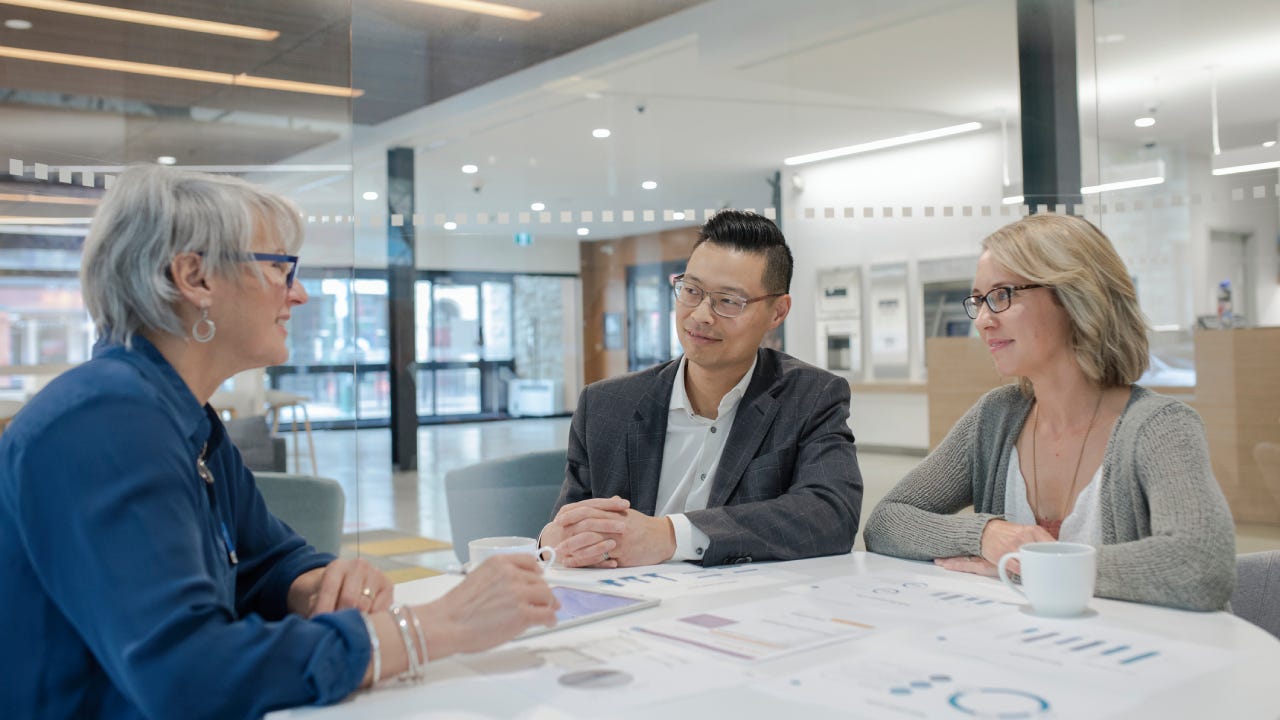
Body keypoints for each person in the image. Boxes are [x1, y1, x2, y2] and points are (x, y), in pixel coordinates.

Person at [0, 166, 559, 720]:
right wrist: (437, 627)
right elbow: (190, 677)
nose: (300, 295)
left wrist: (317, 584)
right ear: (195, 278)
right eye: (279, 268)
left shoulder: (183, 418)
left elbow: (268, 561)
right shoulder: (104, 423)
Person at [863, 214, 1235, 611]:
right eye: (978, 300)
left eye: (1002, 295)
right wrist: (987, 535)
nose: (985, 320)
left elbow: (1201, 565)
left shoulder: (1159, 427)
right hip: (1036, 652)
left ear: (1076, 297)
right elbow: (886, 522)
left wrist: (1033, 565)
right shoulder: (994, 417)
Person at [541, 210, 863, 568]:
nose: (700, 315)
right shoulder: (605, 406)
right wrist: (551, 540)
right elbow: (564, 527)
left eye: (728, 301)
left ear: (777, 312)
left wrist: (669, 536)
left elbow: (832, 515)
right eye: (691, 291)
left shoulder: (810, 397)